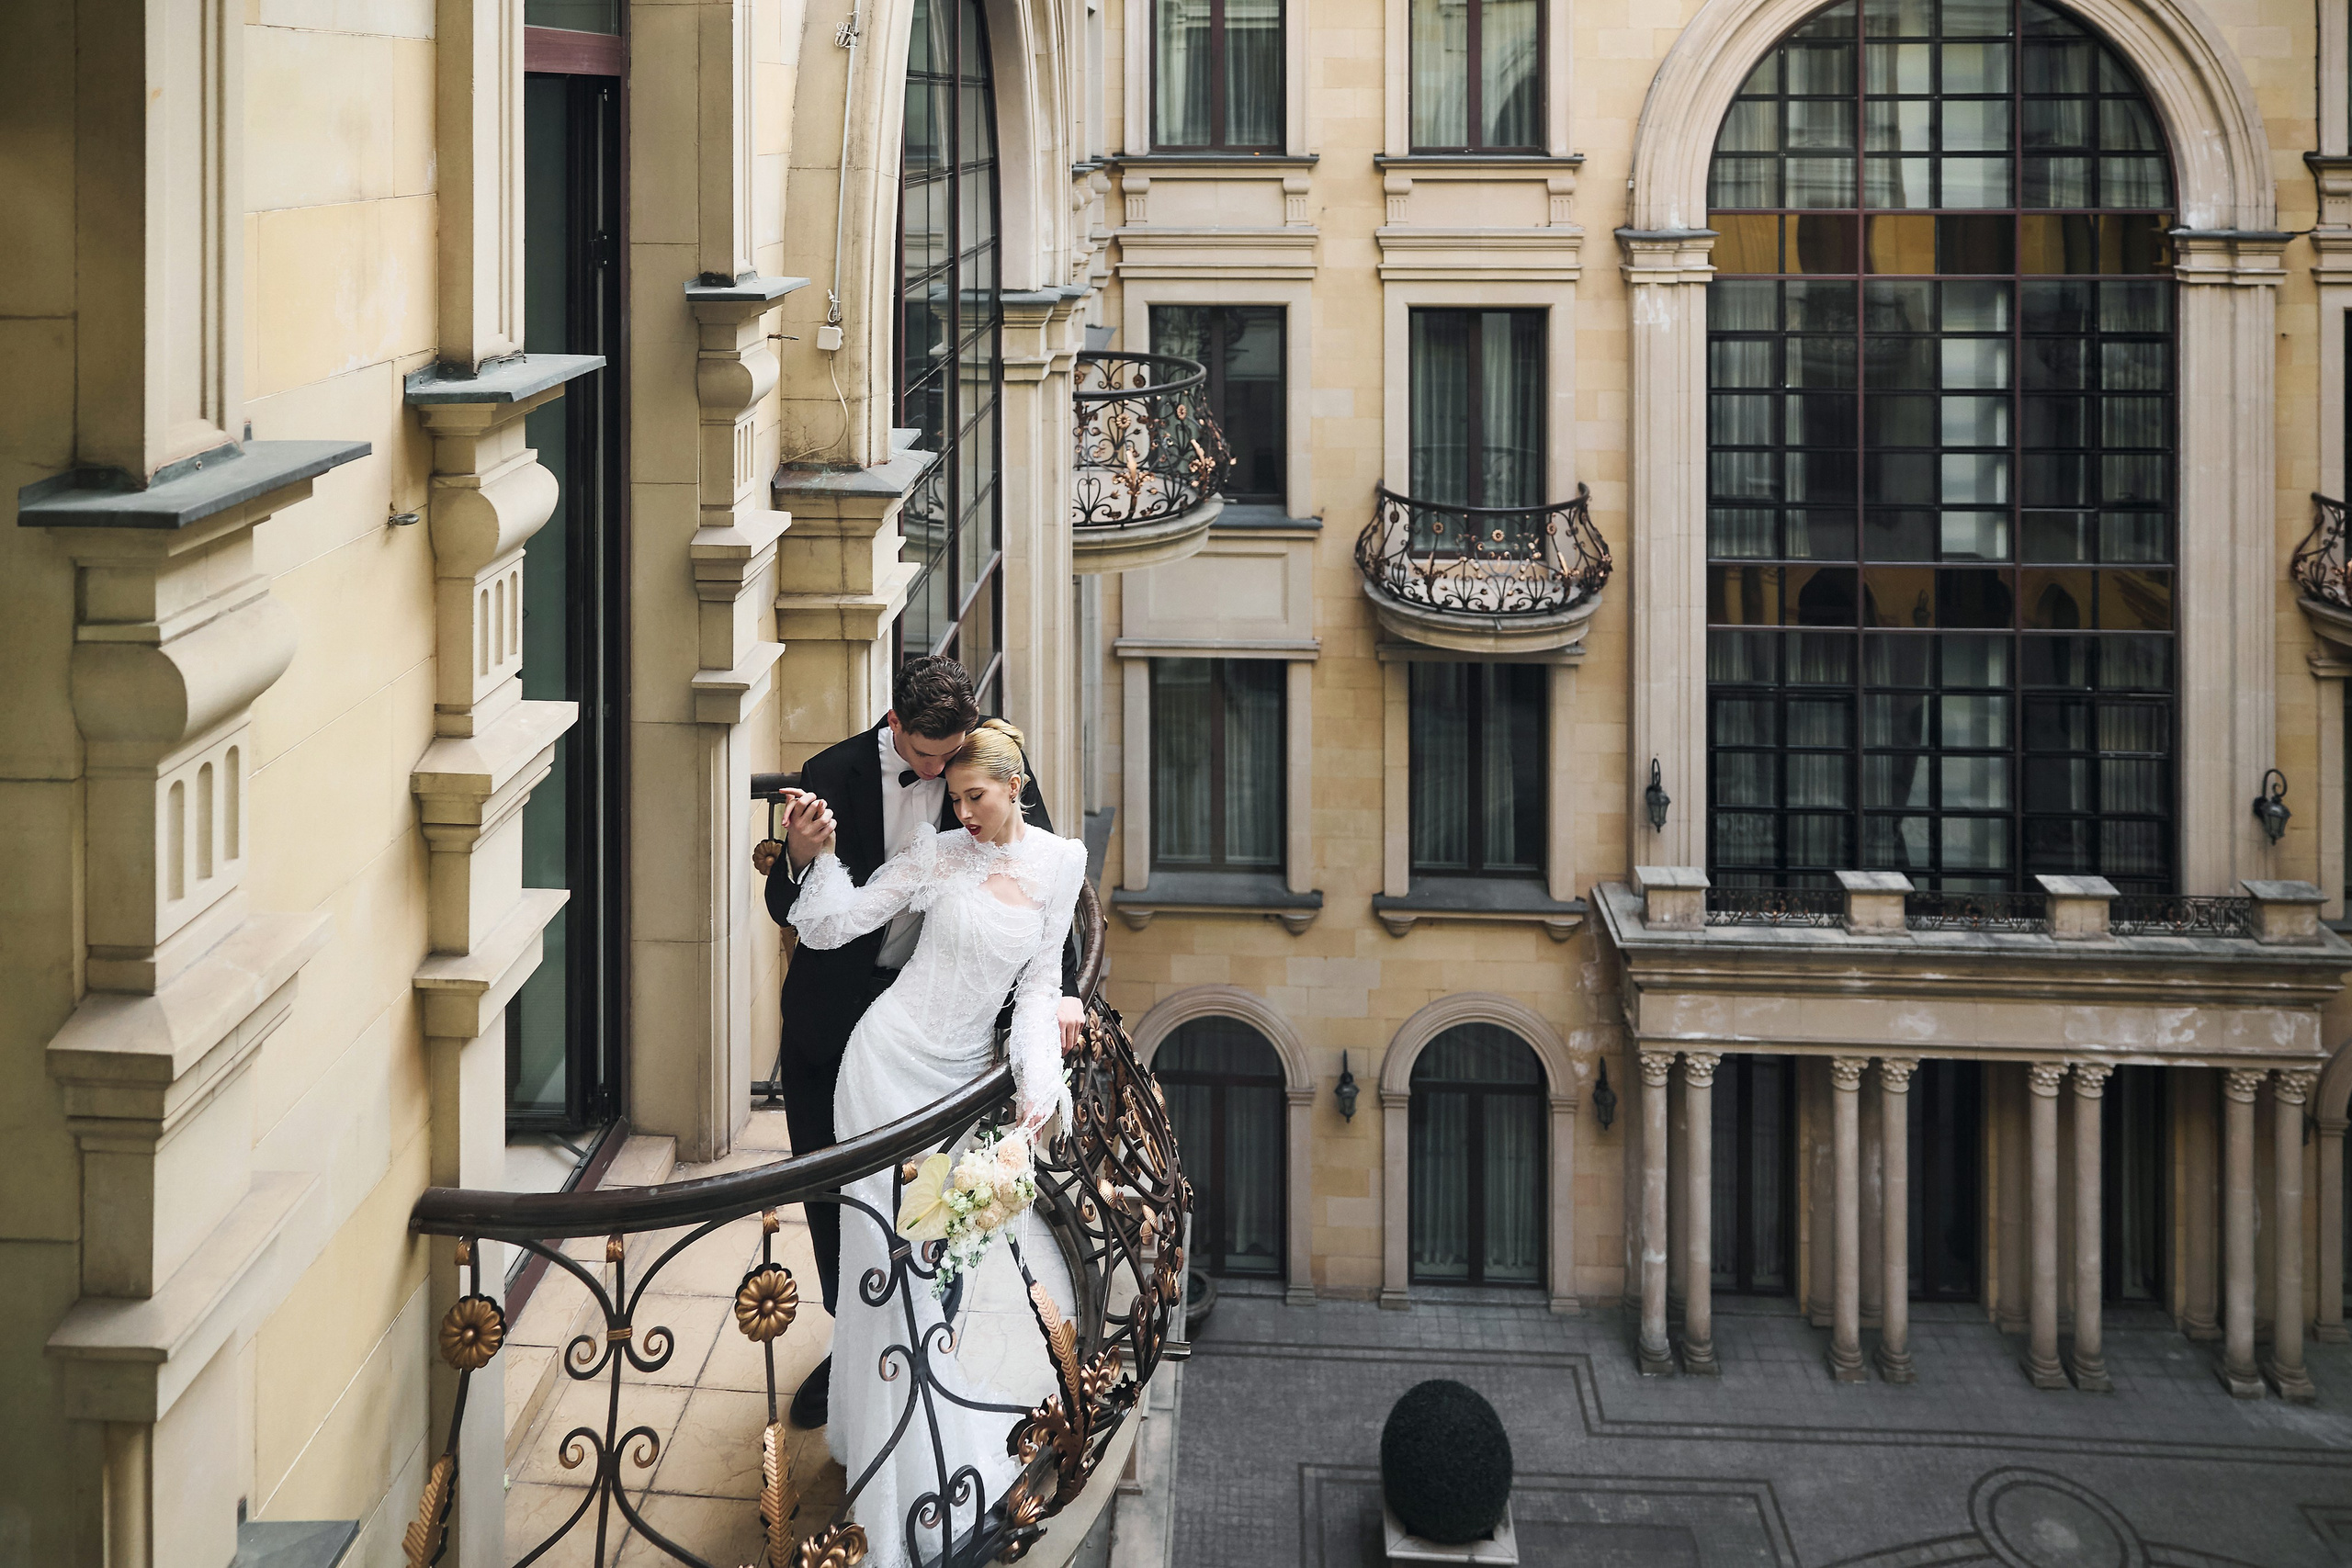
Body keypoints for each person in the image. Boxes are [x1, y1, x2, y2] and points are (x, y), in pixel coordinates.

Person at [783, 718, 1085, 1568]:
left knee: (927, 1265)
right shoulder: (939, 853)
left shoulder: (1061, 865)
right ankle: (894, 1471)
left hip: (957, 1091)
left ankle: (895, 1437)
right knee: (890, 1271)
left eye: (975, 797)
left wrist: (1036, 1096)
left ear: (1014, 785)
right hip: (882, 1068)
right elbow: (835, 923)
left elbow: (1037, 990)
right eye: (953, 799)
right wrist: (817, 854)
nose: (963, 813)